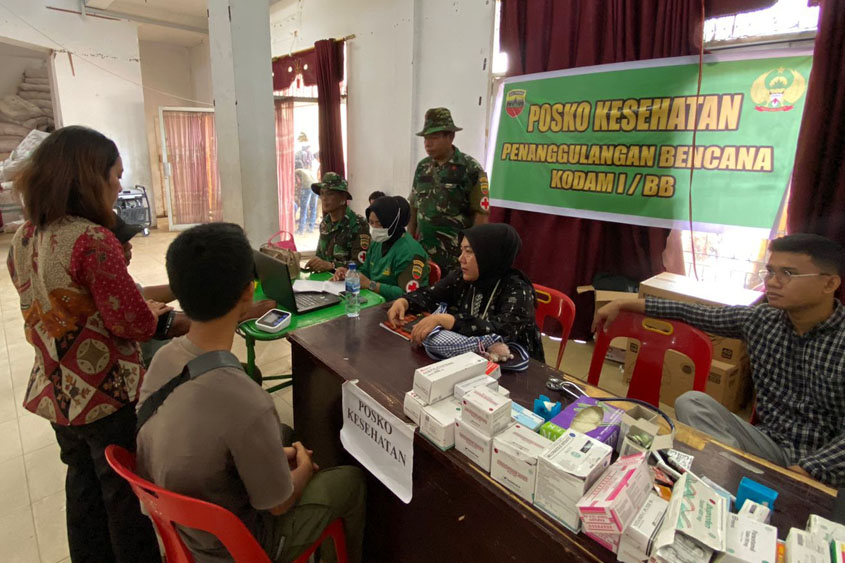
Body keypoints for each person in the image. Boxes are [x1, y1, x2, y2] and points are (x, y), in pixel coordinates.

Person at [136, 222, 366, 563]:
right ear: (248, 292)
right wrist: (304, 466)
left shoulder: (162, 360)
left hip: (181, 529)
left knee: (282, 434)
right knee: (348, 481)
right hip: (240, 547)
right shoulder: (248, 400)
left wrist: (276, 455)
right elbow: (279, 504)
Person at [8, 126, 164, 562]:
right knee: (123, 493)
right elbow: (131, 323)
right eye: (115, 175)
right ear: (90, 177)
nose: (118, 186)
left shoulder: (26, 235)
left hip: (56, 388)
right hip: (103, 392)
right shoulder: (92, 239)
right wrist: (151, 313)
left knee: (82, 485)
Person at [593, 234, 845, 487]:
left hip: (826, 465)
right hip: (769, 443)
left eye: (788, 274)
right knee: (692, 402)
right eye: (770, 272)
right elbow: (693, 312)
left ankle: (734, 480)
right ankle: (731, 481)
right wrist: (624, 303)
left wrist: (807, 471)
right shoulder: (762, 320)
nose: (772, 282)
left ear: (829, 283)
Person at [387, 223, 544, 365]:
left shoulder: (518, 290)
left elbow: (503, 331)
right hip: (471, 360)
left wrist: (449, 320)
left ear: (489, 255)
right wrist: (405, 302)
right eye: (461, 250)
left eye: (469, 252)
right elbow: (431, 294)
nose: (460, 259)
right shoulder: (461, 276)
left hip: (514, 366)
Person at [408, 107, 490, 274]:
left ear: (450, 137)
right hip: (424, 255)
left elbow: (481, 214)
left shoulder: (470, 169)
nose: (428, 144)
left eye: (434, 138)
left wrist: (471, 253)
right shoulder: (423, 167)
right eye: (425, 138)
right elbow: (414, 206)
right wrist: (410, 242)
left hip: (456, 258)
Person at [332, 195, 430, 300]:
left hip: (398, 305)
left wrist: (371, 285)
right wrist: (350, 274)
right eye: (371, 222)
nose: (374, 228)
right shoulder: (378, 242)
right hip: (374, 299)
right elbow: (365, 271)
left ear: (392, 222)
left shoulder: (410, 252)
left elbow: (407, 294)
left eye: (379, 223)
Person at [305, 172, 370, 273]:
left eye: (329, 194)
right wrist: (315, 263)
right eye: (322, 193)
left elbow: (361, 264)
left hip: (348, 280)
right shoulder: (325, 223)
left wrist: (331, 266)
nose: (324, 198)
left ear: (343, 198)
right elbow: (320, 256)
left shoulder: (358, 224)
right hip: (324, 279)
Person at [295, 167, 318, 234]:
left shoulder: (295, 171)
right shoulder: (307, 171)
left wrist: (299, 193)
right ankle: (311, 228)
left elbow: (298, 182)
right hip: (316, 187)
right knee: (313, 208)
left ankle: (301, 229)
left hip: (307, 187)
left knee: (303, 208)